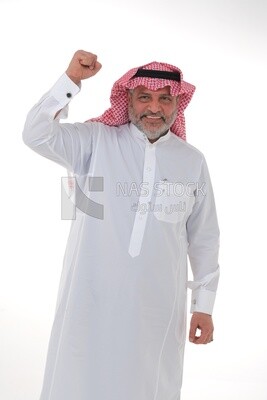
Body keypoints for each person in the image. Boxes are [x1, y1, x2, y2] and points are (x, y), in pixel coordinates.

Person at [22, 50, 220, 400]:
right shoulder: (96, 142)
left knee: (148, 385)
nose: (154, 108)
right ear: (127, 99)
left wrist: (202, 305)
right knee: (80, 380)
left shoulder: (192, 162)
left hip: (156, 310)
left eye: (164, 99)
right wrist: (71, 80)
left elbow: (203, 237)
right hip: (90, 301)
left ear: (178, 104)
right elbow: (36, 135)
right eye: (144, 97)